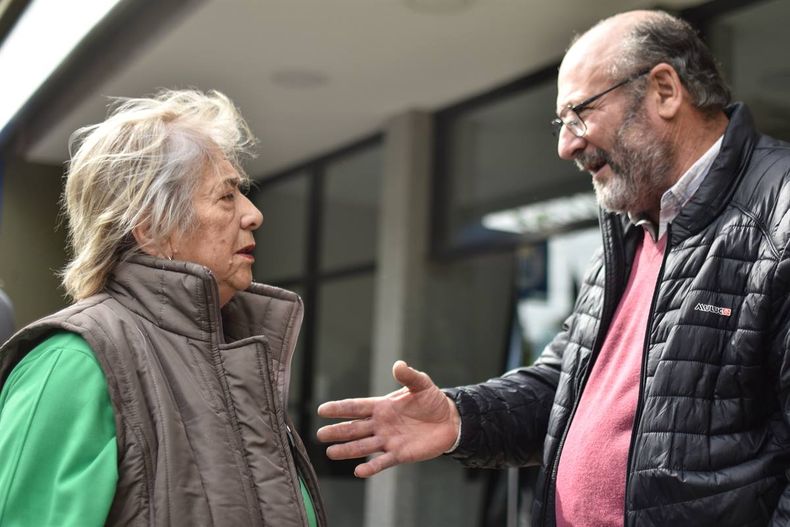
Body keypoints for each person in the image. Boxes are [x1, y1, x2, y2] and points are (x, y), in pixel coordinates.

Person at [317, 9, 790, 526]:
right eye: (561, 124)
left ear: (664, 90)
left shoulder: (779, 215)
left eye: (579, 114)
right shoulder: (628, 232)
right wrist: (457, 418)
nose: (566, 145)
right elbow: (563, 388)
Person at [0, 89, 326, 526]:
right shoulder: (73, 360)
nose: (253, 214)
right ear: (153, 230)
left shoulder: (234, 354)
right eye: (226, 197)